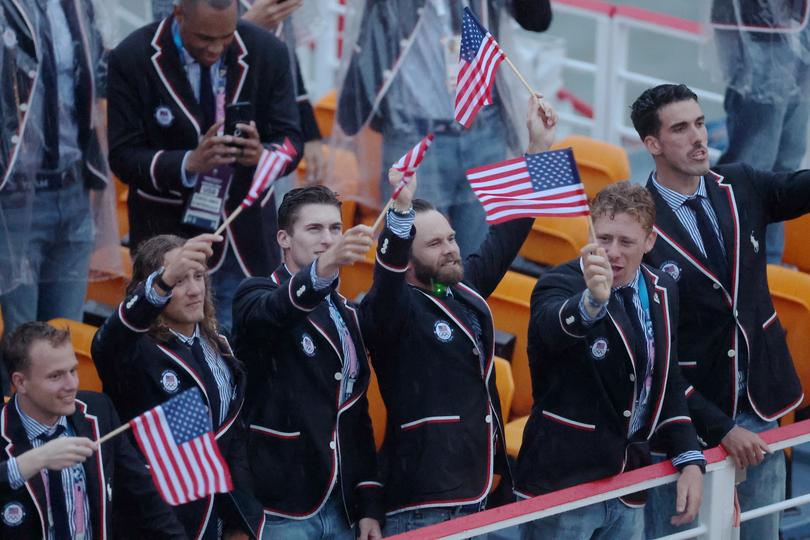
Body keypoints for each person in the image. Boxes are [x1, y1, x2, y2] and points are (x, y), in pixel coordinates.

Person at [358, 95, 551, 534]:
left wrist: (538, 147)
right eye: (435, 244)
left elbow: (511, 228)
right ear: (405, 256)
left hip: (484, 492)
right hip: (423, 501)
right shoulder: (389, 309)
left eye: (450, 237)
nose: (451, 248)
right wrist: (402, 212)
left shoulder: (458, 290)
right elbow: (386, 281)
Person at [631, 83, 810, 539]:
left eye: (700, 123)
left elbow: (801, 188)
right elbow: (651, 354)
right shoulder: (635, 228)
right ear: (651, 144)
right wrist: (720, 427)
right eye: (680, 128)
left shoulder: (741, 184)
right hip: (687, 417)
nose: (698, 137)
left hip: (760, 402)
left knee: (760, 533)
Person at [515, 182, 705, 539]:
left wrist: (690, 457)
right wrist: (590, 303)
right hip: (564, 483)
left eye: (626, 242)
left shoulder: (664, 287)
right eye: (603, 239)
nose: (612, 253)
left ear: (649, 242)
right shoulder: (558, 282)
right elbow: (550, 329)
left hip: (629, 480)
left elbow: (666, 380)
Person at [107, 0, 303, 332]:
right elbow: (123, 156)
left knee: (247, 355)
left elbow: (291, 141)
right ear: (177, 14)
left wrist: (261, 155)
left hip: (246, 239)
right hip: (169, 241)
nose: (215, 48)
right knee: (173, 358)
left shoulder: (267, 50)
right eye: (203, 39)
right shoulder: (131, 56)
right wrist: (188, 163)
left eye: (226, 37)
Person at [337, 0, 552, 257]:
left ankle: (461, 298)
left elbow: (537, 20)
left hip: (484, 130)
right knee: (413, 259)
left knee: (477, 261)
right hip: (414, 133)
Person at [232, 187, 382, 539]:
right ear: (284, 238)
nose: (328, 239)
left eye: (335, 229)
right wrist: (322, 269)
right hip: (283, 507)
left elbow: (355, 415)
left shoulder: (348, 312)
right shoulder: (254, 293)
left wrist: (369, 501)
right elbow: (271, 315)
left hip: (342, 505)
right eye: (314, 229)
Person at [91, 233, 263, 538]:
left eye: (198, 276)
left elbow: (234, 434)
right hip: (160, 519)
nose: (195, 290)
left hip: (219, 511)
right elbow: (107, 344)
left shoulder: (219, 341)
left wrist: (241, 521)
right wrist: (161, 283)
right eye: (179, 281)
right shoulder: (135, 352)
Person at [0, 322, 187, 539]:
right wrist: (36, 459)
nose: (71, 384)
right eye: (55, 376)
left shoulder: (98, 412)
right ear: (20, 382)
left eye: (73, 370)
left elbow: (146, 498)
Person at [0, 0, 116, 333]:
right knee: (22, 344)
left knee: (64, 335)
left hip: (73, 187)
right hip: (14, 198)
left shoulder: (77, 6)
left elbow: (100, 77)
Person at [150, 0, 326, 189]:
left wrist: (307, 127)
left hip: (264, 132)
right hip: (194, 144)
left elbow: (284, 49)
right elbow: (167, 51)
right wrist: (243, 29)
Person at [710, 0, 810, 263]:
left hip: (799, 22)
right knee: (754, 158)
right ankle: (729, 257)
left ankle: (768, 261)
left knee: (789, 155)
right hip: (759, 24)